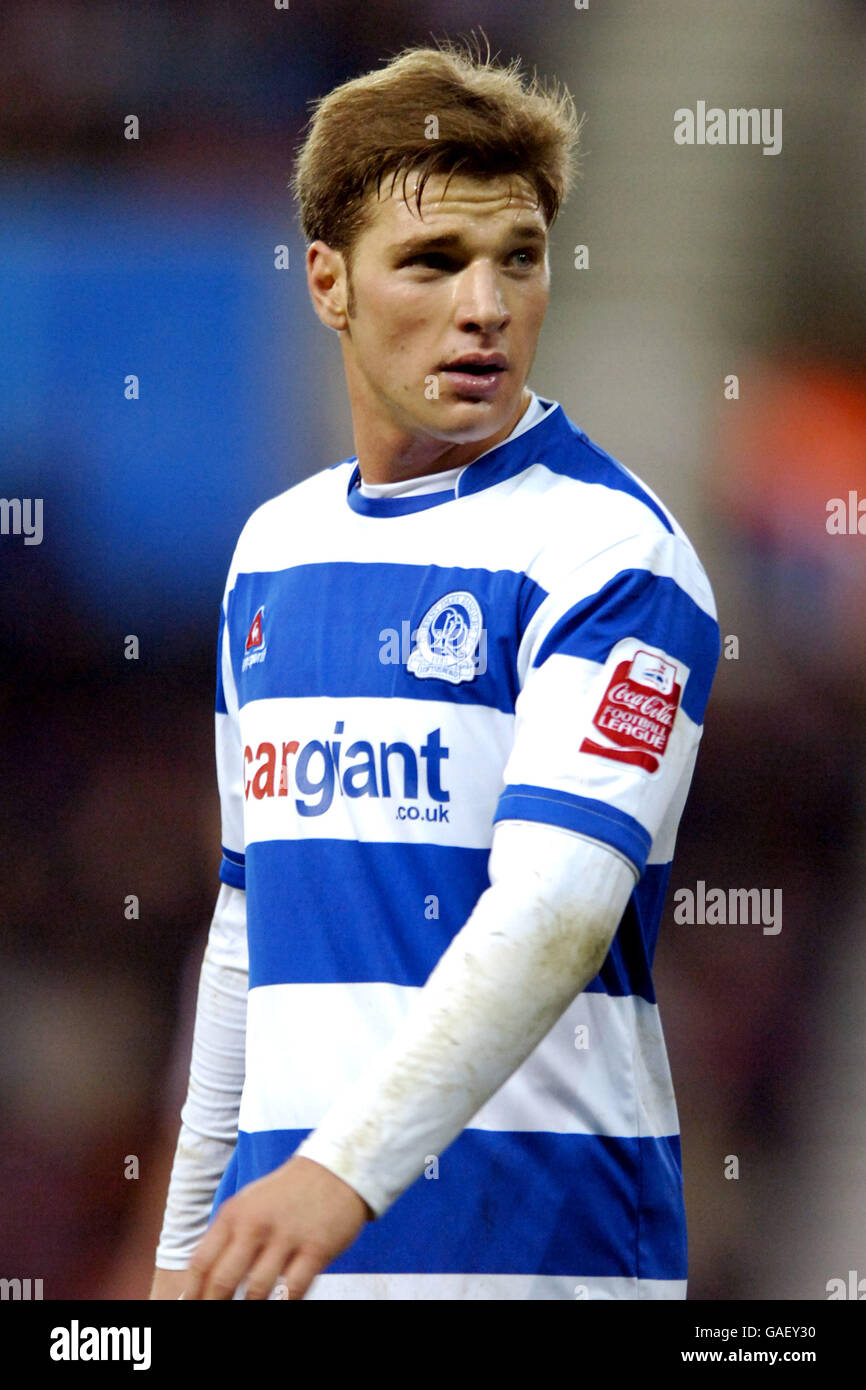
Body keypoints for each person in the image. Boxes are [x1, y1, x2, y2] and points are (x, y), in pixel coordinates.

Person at [150, 37, 721, 1301]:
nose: (485, 307)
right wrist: (182, 1247)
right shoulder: (272, 554)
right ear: (327, 285)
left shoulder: (608, 552)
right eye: (432, 261)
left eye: (517, 258)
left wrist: (336, 1175)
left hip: (537, 1257)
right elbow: (246, 929)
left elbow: (557, 911)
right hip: (295, 1262)